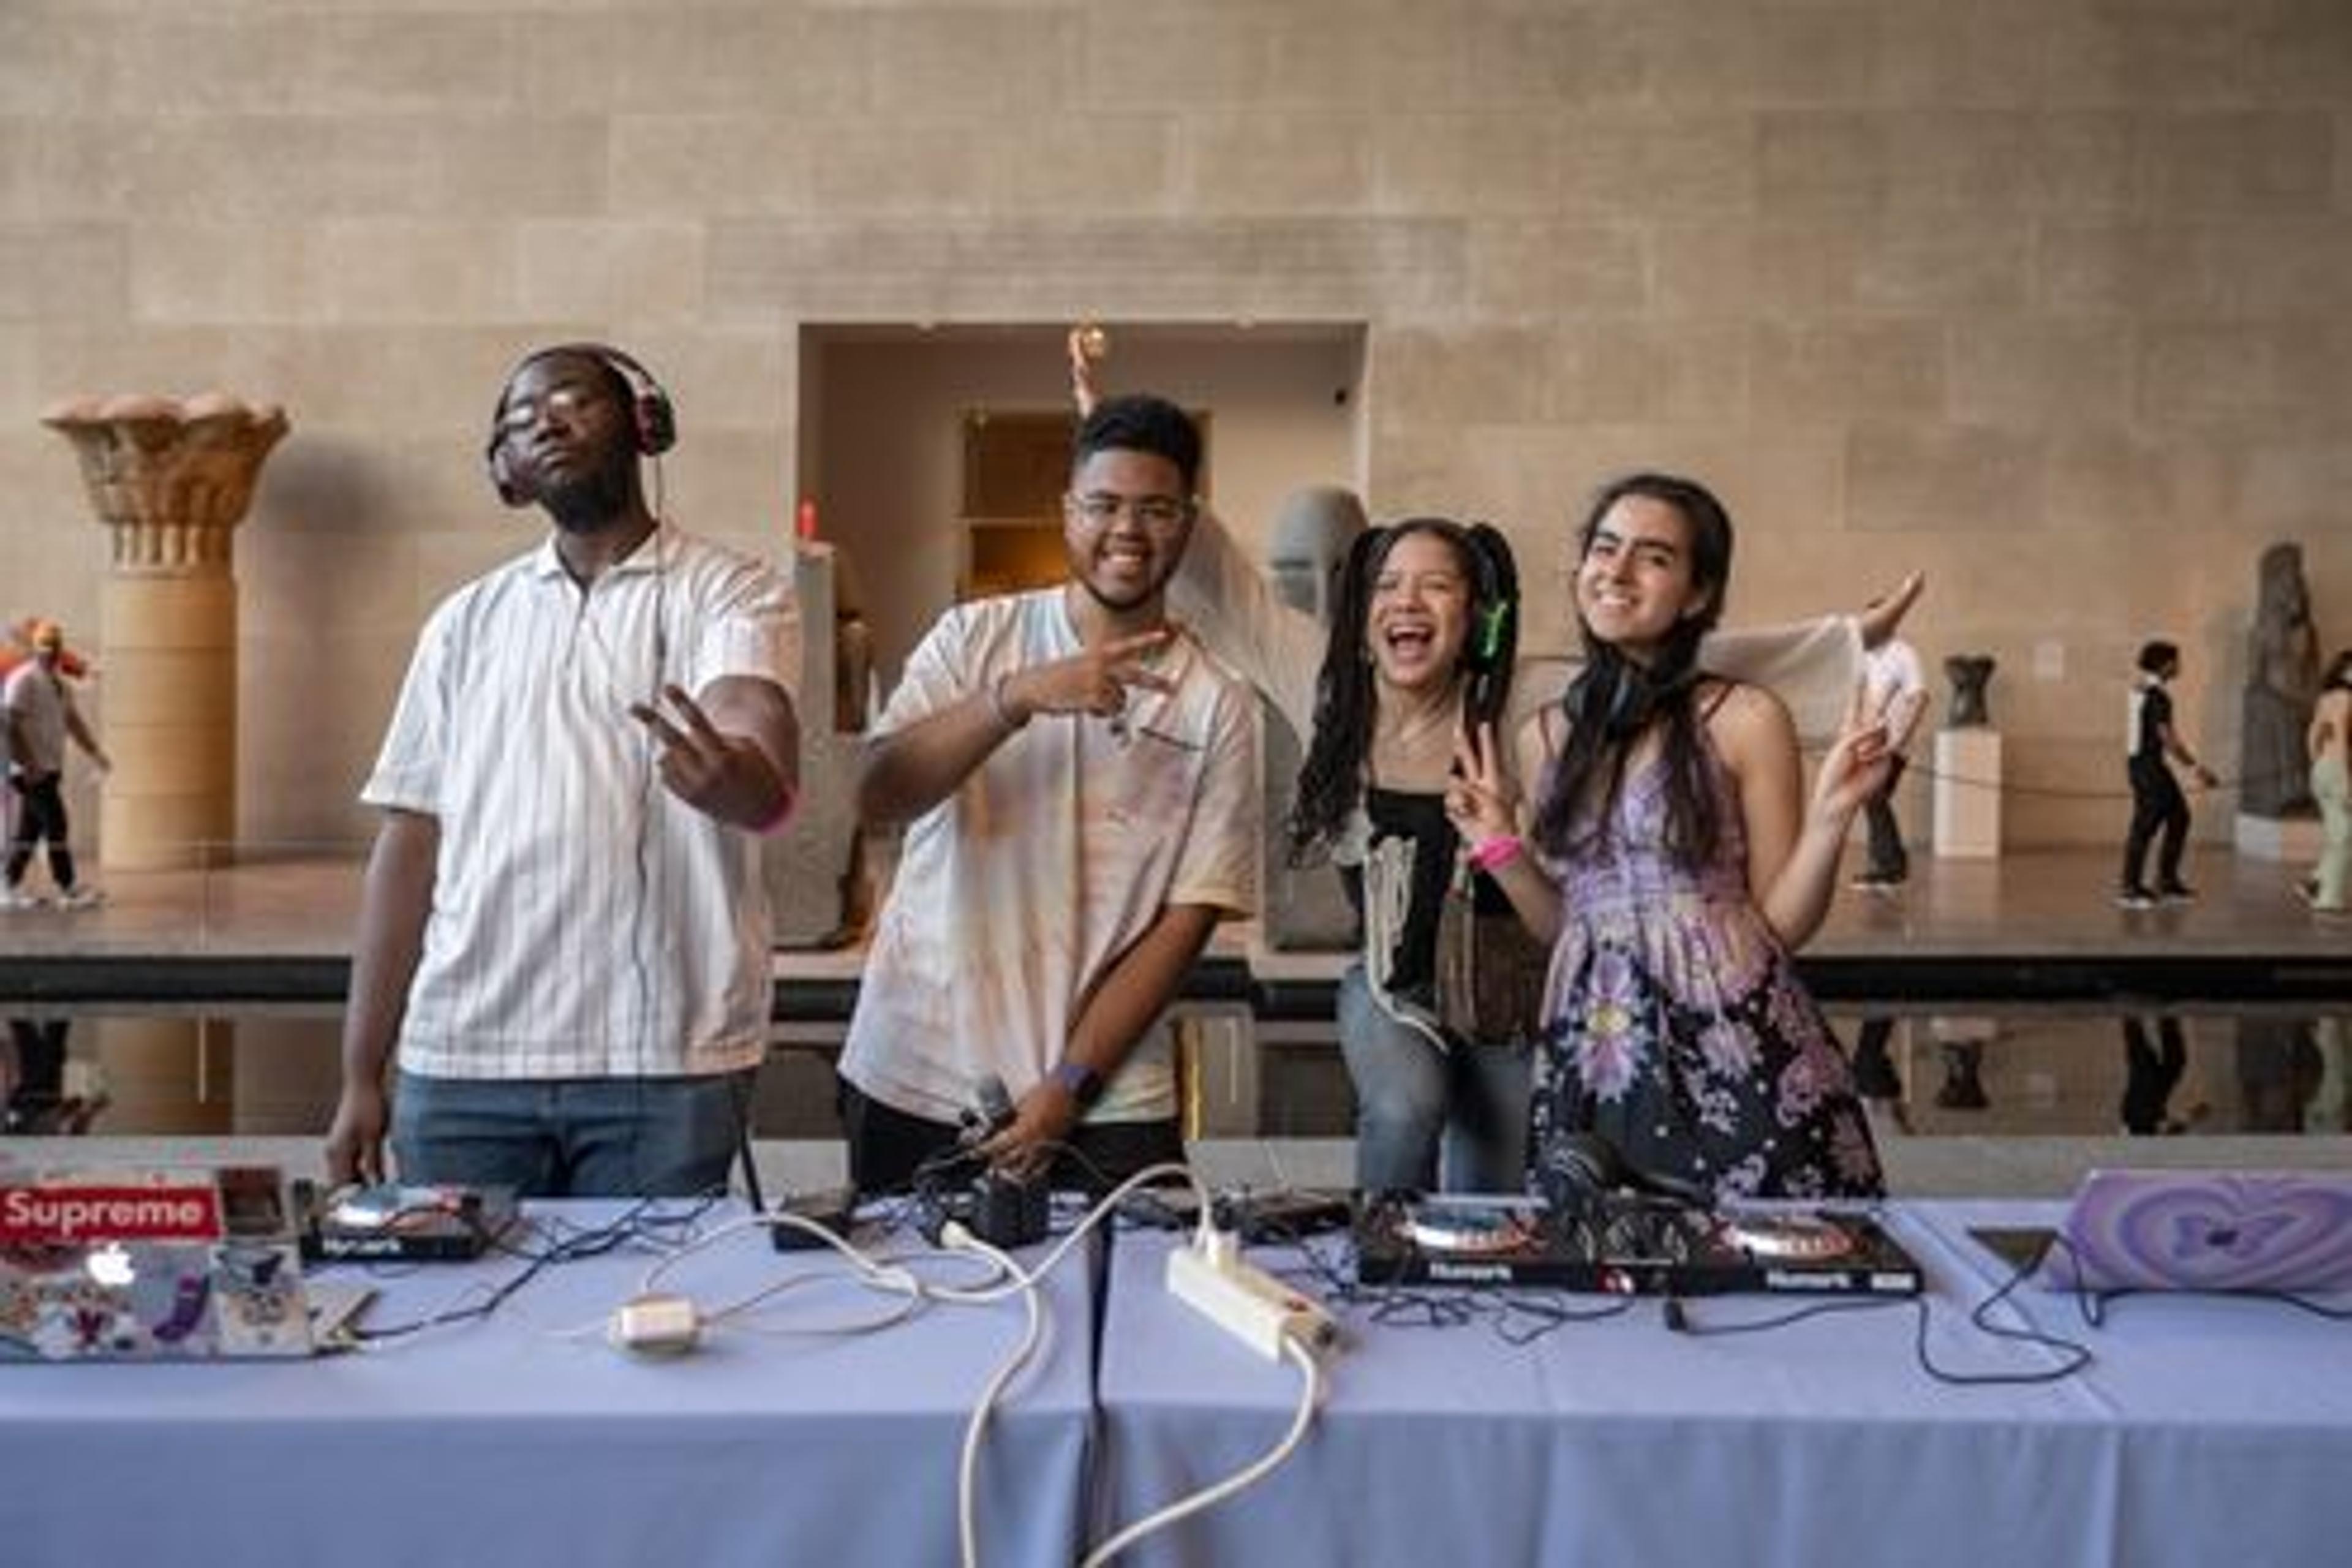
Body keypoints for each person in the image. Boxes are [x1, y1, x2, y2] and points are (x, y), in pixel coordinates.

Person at [1072, 345, 1918, 1197]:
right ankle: (1382, 1254)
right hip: (1393, 984)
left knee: (1500, 1190)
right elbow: (1227, 585)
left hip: (1508, 989)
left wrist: (1846, 642)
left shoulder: (1526, 699)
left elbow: (1671, 655)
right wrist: (1118, 463)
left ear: (1476, 615)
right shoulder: (1329, 687)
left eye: (1437, 586)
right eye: (1390, 585)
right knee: (1405, 1107)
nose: (1408, 603)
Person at [323, 344, 802, 1199]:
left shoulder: (733, 591)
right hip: (461, 1061)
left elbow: (754, 731)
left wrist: (740, 777)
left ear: (644, 424)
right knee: (462, 1326)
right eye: (519, 416)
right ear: (505, 469)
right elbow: (409, 843)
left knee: (644, 1326)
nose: (545, 419)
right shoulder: (463, 623)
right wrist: (363, 1071)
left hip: (663, 1065)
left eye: (574, 398)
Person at [1452, 472, 1918, 1203]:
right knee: (1602, 1272)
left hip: (1735, 1045)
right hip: (1596, 1051)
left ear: (1698, 594)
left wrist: (1834, 816)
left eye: (1654, 557)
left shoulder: (1747, 717)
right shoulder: (1543, 737)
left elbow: (1781, 925)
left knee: (1775, 1273)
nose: (1617, 570)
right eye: (1605, 548)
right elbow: (1569, 928)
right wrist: (1499, 850)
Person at [835, 394, 1257, 1194]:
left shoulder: (1217, 700)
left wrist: (1068, 1085)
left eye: (1156, 509)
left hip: (1111, 1093)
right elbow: (876, 793)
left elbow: (1185, 920)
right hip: (922, 1065)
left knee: (1117, 1313)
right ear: (1068, 513)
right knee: (906, 1302)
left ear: (1189, 522)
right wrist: (1015, 699)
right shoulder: (975, 639)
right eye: (1102, 505)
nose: (1127, 532)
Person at [3, 619, 111, 911]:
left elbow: (74, 723)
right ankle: (67, 887)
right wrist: (27, 764)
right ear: (35, 648)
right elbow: (8, 725)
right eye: (45, 645)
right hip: (29, 771)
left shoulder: (61, 684)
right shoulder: (23, 679)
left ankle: (7, 885)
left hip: (50, 768)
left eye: (55, 645)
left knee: (30, 830)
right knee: (57, 824)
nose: (50, 651)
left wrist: (96, 753)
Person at [2119, 639, 2215, 910]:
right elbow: (2168, 739)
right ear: (2165, 664)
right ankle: (2130, 888)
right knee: (2144, 826)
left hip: (2144, 765)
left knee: (2179, 817)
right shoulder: (2158, 696)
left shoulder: (2140, 689)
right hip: (2149, 768)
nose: (2179, 666)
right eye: (2176, 661)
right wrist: (2198, 769)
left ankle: (2167, 881)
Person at [1851, 620, 1924, 891]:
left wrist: (1899, 742)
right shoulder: (1866, 658)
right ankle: (1887, 865)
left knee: (1873, 797)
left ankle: (1890, 866)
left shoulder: (1904, 653)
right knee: (1873, 800)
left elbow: (1920, 698)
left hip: (1892, 745)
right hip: (1870, 744)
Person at [2305, 649, 2351, 917]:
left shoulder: (2326, 697)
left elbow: (2312, 733)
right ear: (2346, 671)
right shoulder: (2346, 698)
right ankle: (2328, 900)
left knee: (2340, 833)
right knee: (2344, 836)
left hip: (2323, 769)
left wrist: (2315, 763)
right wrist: (2346, 779)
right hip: (2338, 771)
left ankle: (2314, 882)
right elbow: (2343, 739)